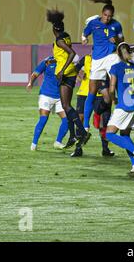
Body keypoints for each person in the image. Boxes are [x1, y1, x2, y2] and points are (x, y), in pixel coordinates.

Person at [46, 8, 91, 157]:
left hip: (65, 74)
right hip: (70, 71)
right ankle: (72, 135)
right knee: (66, 107)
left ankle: (82, 133)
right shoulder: (66, 36)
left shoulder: (59, 40)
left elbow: (72, 53)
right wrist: (57, 61)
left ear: (54, 29)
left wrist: (61, 70)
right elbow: (65, 53)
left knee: (66, 105)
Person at [105, 41, 134, 175]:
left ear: (117, 54)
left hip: (124, 106)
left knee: (109, 134)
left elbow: (112, 87)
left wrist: (113, 99)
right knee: (124, 135)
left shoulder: (115, 67)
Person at [81, 0, 124, 133]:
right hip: (97, 59)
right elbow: (84, 33)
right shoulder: (93, 23)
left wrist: (117, 40)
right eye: (105, 15)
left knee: (120, 83)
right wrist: (84, 38)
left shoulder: (116, 25)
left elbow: (122, 39)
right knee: (92, 91)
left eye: (110, 16)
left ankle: (124, 116)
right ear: (102, 13)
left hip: (112, 56)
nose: (107, 18)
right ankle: (86, 124)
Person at [75, 54, 115, 156]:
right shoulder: (86, 58)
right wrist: (80, 75)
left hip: (101, 94)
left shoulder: (107, 60)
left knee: (104, 121)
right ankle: (78, 148)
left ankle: (105, 149)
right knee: (80, 120)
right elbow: (75, 68)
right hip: (84, 93)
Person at [26, 56, 68, 151]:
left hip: (60, 97)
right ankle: (34, 144)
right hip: (46, 95)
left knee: (67, 120)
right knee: (44, 119)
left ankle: (58, 142)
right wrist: (30, 83)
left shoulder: (66, 61)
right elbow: (35, 74)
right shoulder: (47, 61)